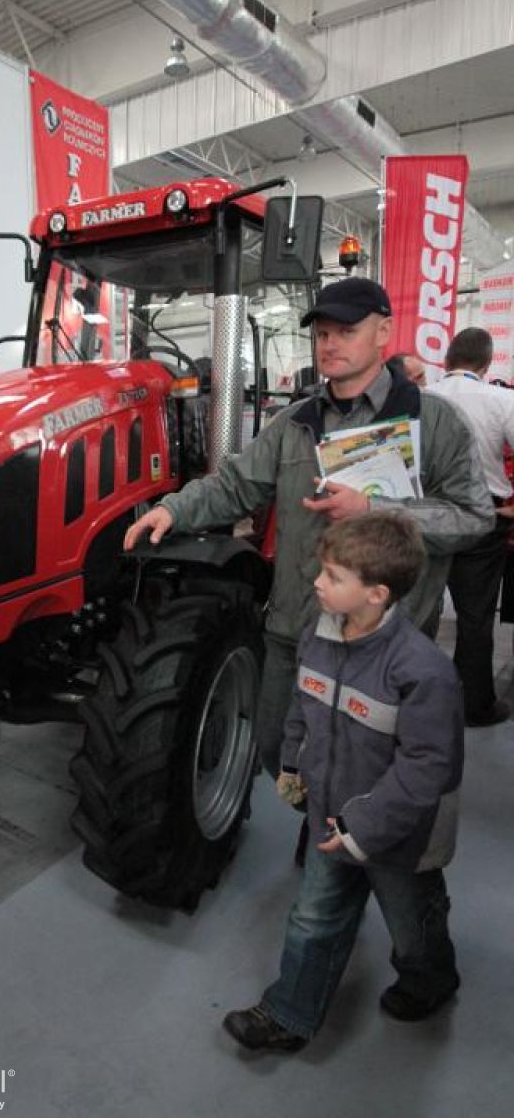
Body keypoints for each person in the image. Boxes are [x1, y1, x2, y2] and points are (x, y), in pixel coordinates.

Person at [124, 276, 494, 779]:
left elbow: (474, 516)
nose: (329, 344)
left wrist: (376, 508)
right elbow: (235, 485)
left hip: (386, 639)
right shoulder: (294, 424)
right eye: (321, 334)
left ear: (384, 331)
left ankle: (348, 837)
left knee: (376, 767)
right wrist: (174, 509)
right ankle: (317, 814)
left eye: (345, 331)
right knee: (279, 748)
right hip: (295, 631)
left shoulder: (435, 422)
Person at [222, 512, 463, 1052]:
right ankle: (288, 1016)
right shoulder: (318, 634)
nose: (316, 582)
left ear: (376, 594)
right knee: (314, 917)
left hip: (400, 834)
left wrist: (364, 827)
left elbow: (429, 766)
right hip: (330, 815)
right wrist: (291, 766)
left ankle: (431, 980)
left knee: (411, 926)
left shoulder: (422, 672)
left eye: (332, 576)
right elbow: (303, 711)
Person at [429, 327, 514, 726]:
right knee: (475, 618)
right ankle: (475, 707)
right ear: (487, 362)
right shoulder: (502, 399)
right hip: (485, 519)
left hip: (427, 518)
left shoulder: (422, 398)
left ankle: (413, 703)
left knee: (419, 613)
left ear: (446, 360)